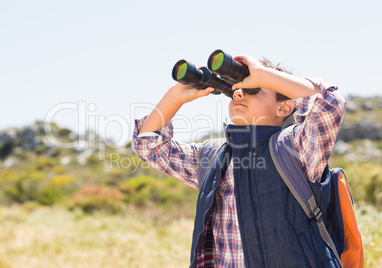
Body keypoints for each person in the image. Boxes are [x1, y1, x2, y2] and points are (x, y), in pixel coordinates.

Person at [132, 54, 346, 267]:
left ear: (283, 107)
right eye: (234, 90)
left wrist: (264, 75)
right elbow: (149, 147)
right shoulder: (213, 157)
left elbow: (331, 105)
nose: (239, 94)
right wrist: (175, 96)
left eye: (253, 89)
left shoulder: (297, 148)